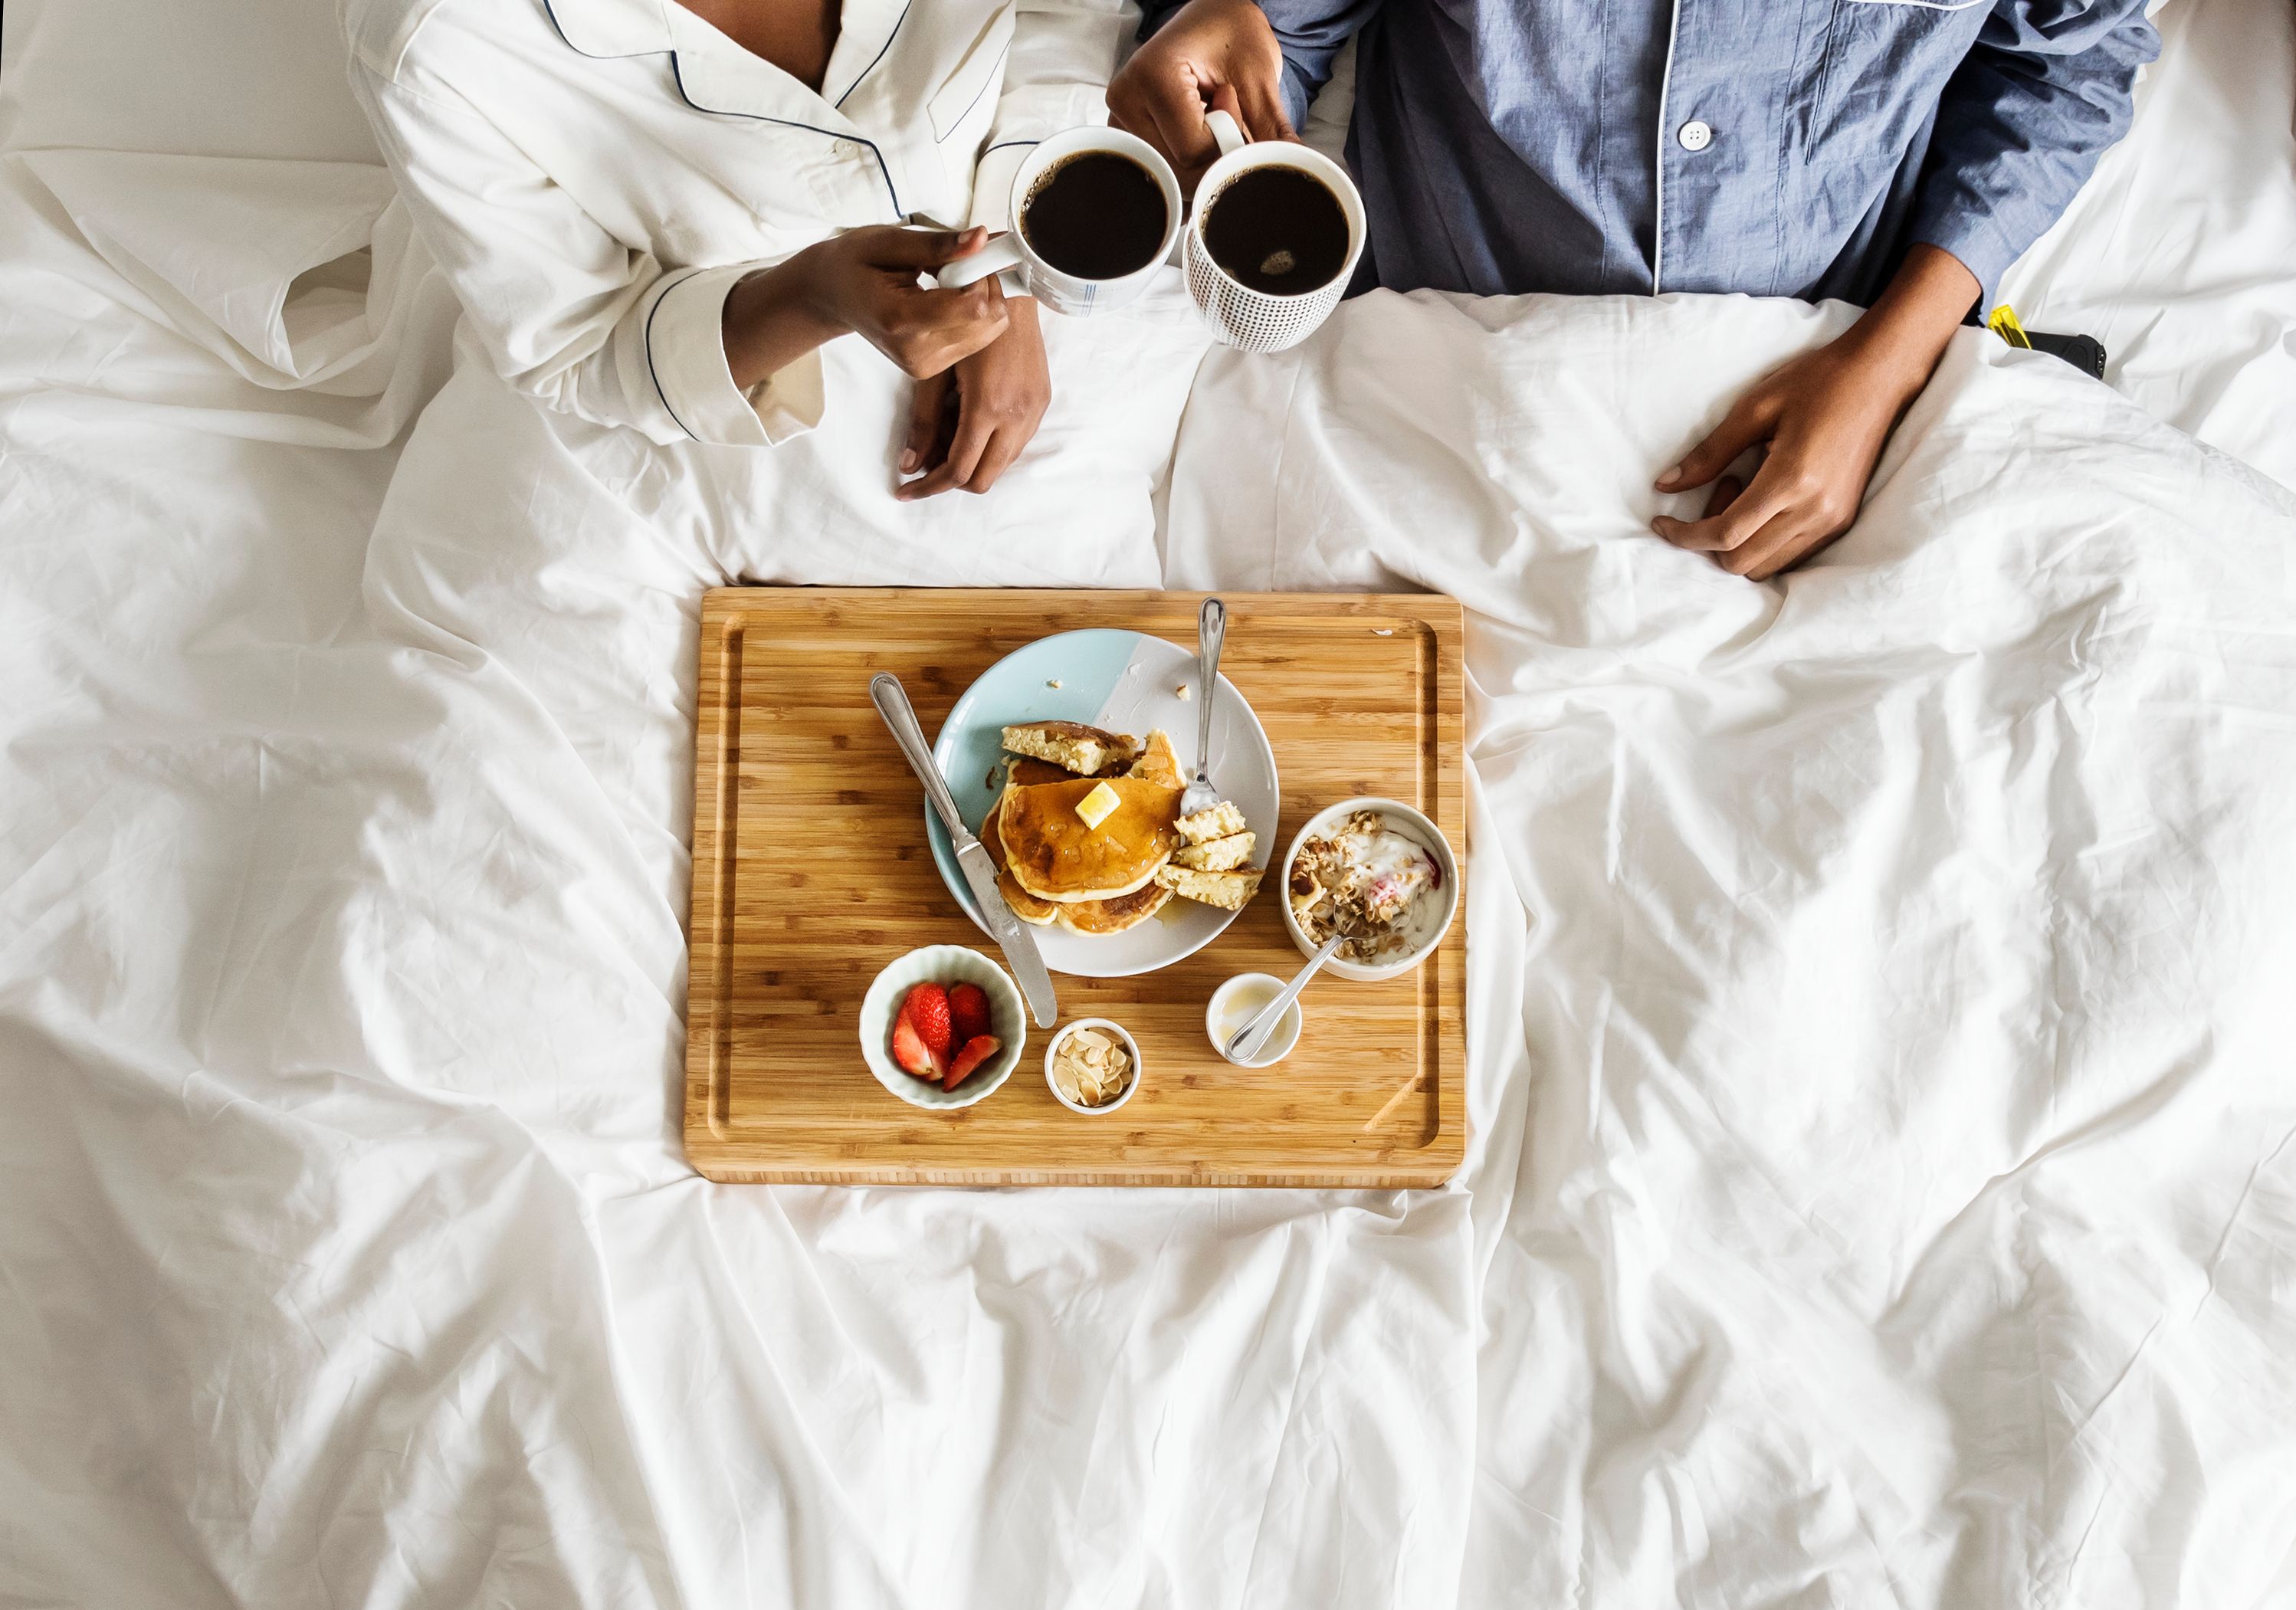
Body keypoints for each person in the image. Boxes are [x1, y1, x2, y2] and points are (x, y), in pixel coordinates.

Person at [1110, 0, 2158, 578]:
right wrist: (1215, 51)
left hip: (1838, 386)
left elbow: (2064, 68)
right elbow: (1272, 35)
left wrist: (1887, 365)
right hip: (1452, 390)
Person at [343, 0, 1127, 498]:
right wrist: (812, 294)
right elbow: (579, 348)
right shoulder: (433, 44)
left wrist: (1010, 259)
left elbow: (1068, 18)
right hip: (743, 429)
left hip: (1092, 254)